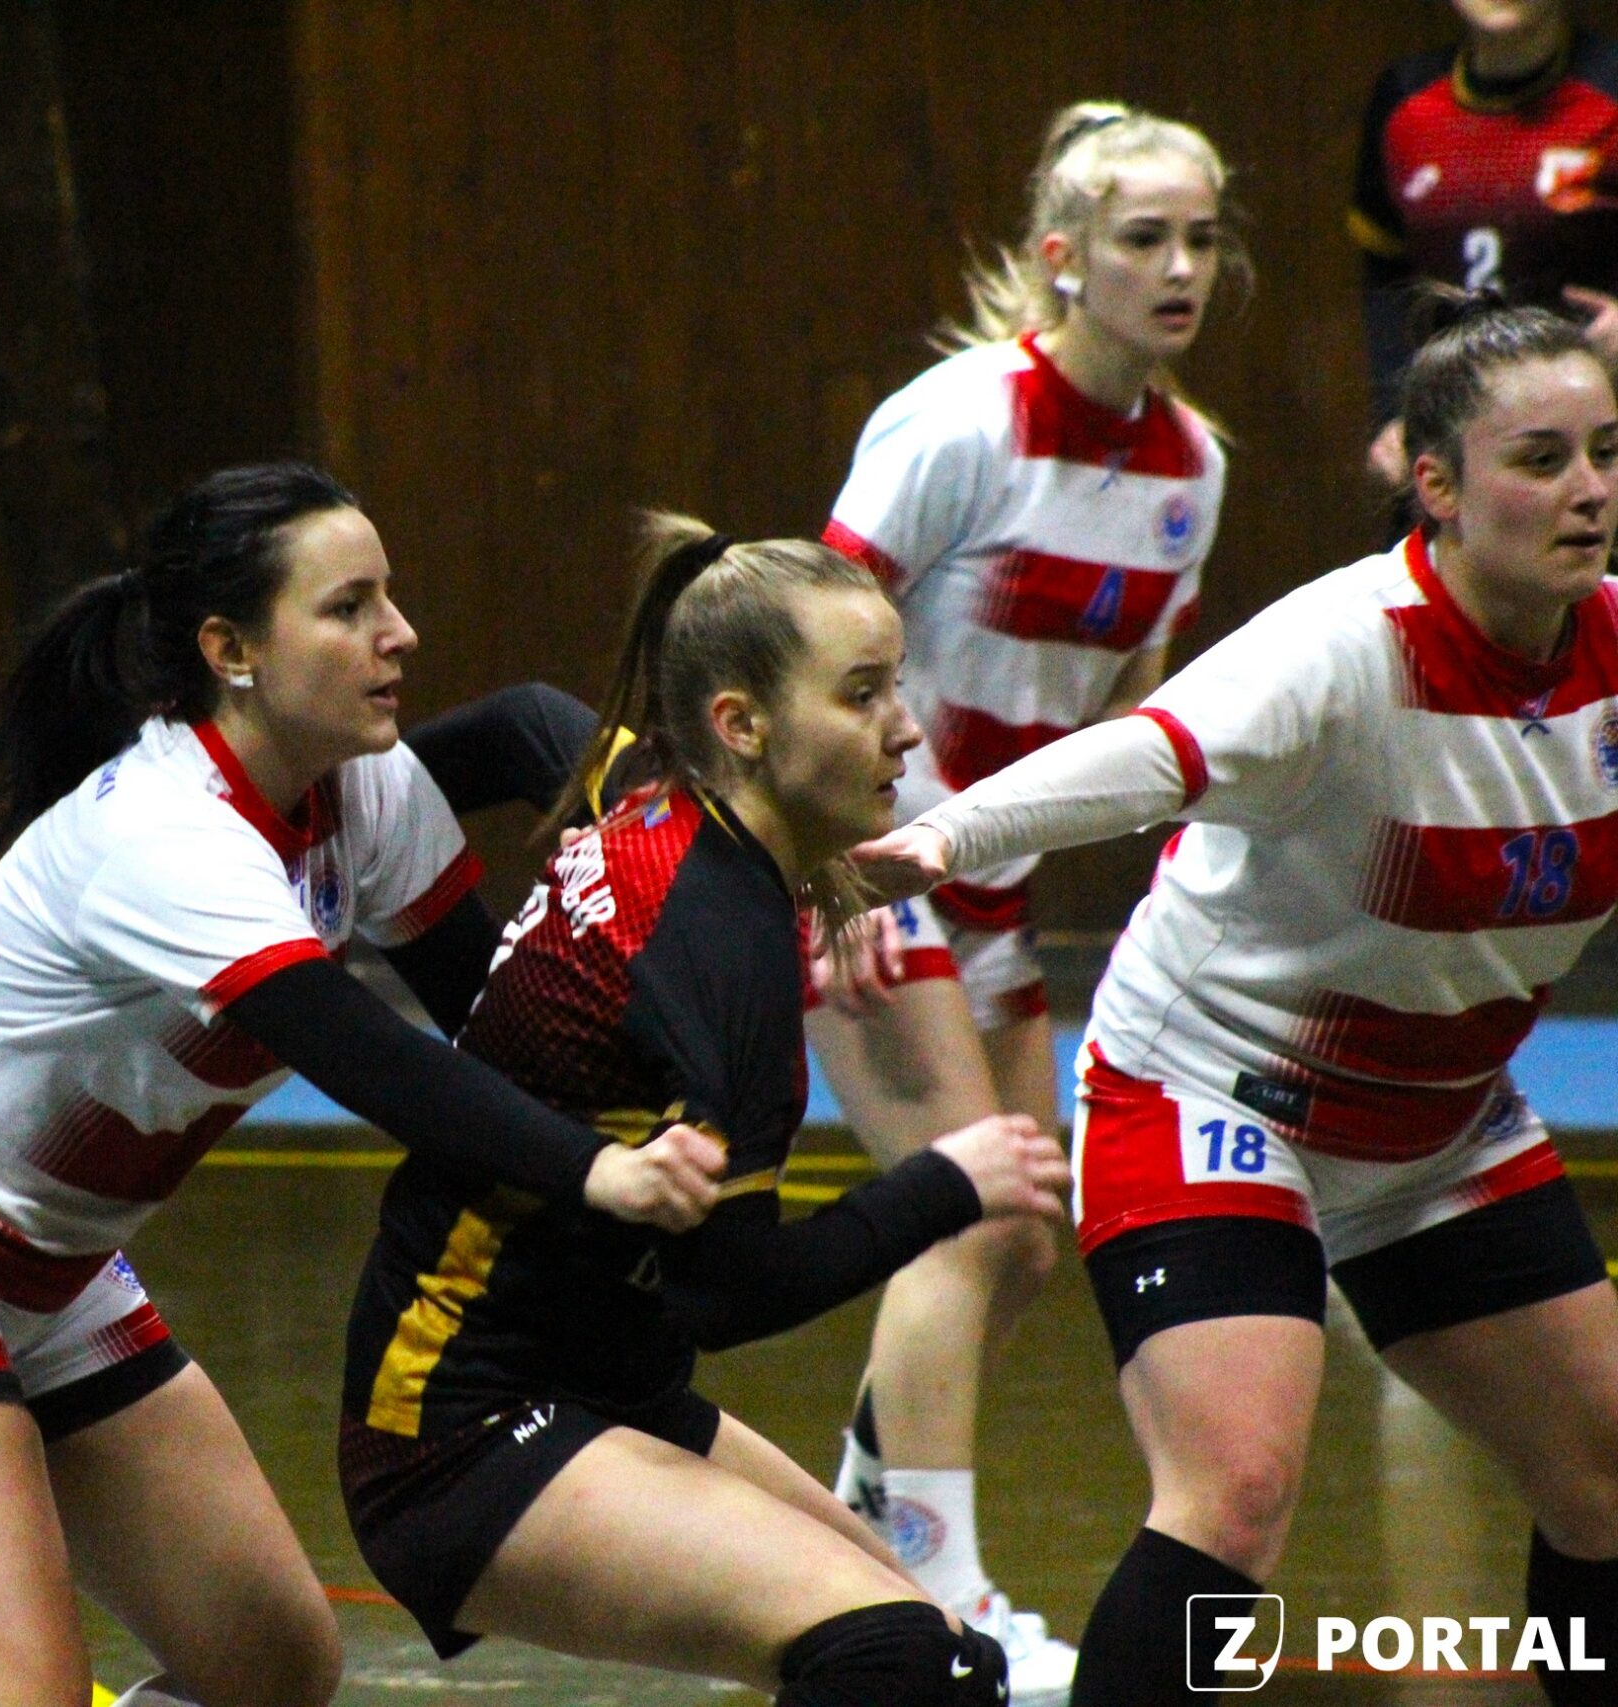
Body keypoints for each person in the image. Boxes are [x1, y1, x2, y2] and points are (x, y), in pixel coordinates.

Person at [0, 461, 730, 1707]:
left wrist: (703, 875)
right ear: (229, 650)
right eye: (348, 606)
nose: (399, 633)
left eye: (388, 595)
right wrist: (597, 1169)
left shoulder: (361, 787)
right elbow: (367, 1055)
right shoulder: (159, 834)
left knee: (269, 1669)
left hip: (50, 1273)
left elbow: (497, 1021)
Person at [851, 294, 1618, 1704]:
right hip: (1216, 1092)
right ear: (1438, 486)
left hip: (1438, 1124)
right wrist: (945, 836)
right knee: (1238, 1494)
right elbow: (1146, 754)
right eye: (1541, 458)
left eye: (1606, 454)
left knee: (1606, 1474)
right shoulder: (1348, 645)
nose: (1587, 491)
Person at [335, 515, 1072, 1704]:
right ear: (741, 724)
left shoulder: (656, 794)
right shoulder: (721, 949)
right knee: (897, 1655)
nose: (905, 728)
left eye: (897, 684)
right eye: (862, 694)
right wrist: (946, 1185)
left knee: (955, 1666)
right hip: (461, 1431)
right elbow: (724, 1295)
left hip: (599, 1382)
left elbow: (520, 721)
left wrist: (322, 837)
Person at [811, 98, 1237, 1697]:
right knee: (966, 1210)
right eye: (1144, 238)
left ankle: (856, 1520)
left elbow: (1130, 712)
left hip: (991, 887)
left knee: (1027, 1237)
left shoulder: (1192, 468)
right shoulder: (961, 422)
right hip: (868, 858)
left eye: (1202, 239)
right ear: (1064, 256)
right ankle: (936, 1593)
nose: (1179, 267)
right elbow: (804, 633)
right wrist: (825, 864)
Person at [1355, 0, 1618, 489]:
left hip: (1594, 442)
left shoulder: (1609, 89)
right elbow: (1386, 278)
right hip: (1459, 440)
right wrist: (1393, 415)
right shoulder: (1405, 97)